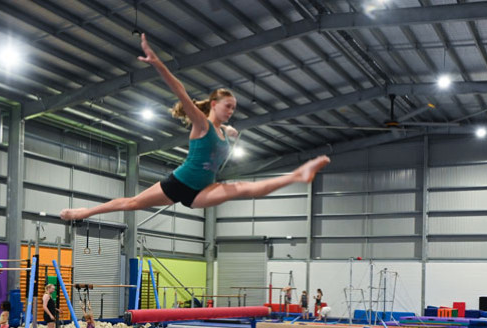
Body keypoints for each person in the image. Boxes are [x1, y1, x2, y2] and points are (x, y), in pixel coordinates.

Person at [59, 34, 329, 221]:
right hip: (179, 183)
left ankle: (298, 175)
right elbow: (181, 91)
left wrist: (231, 130)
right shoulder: (202, 125)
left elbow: (225, 138)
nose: (231, 110)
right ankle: (84, 212)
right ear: (213, 104)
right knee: (130, 203)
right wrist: (158, 64)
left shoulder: (224, 133)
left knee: (244, 188)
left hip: (202, 191)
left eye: (234, 108)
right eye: (228, 106)